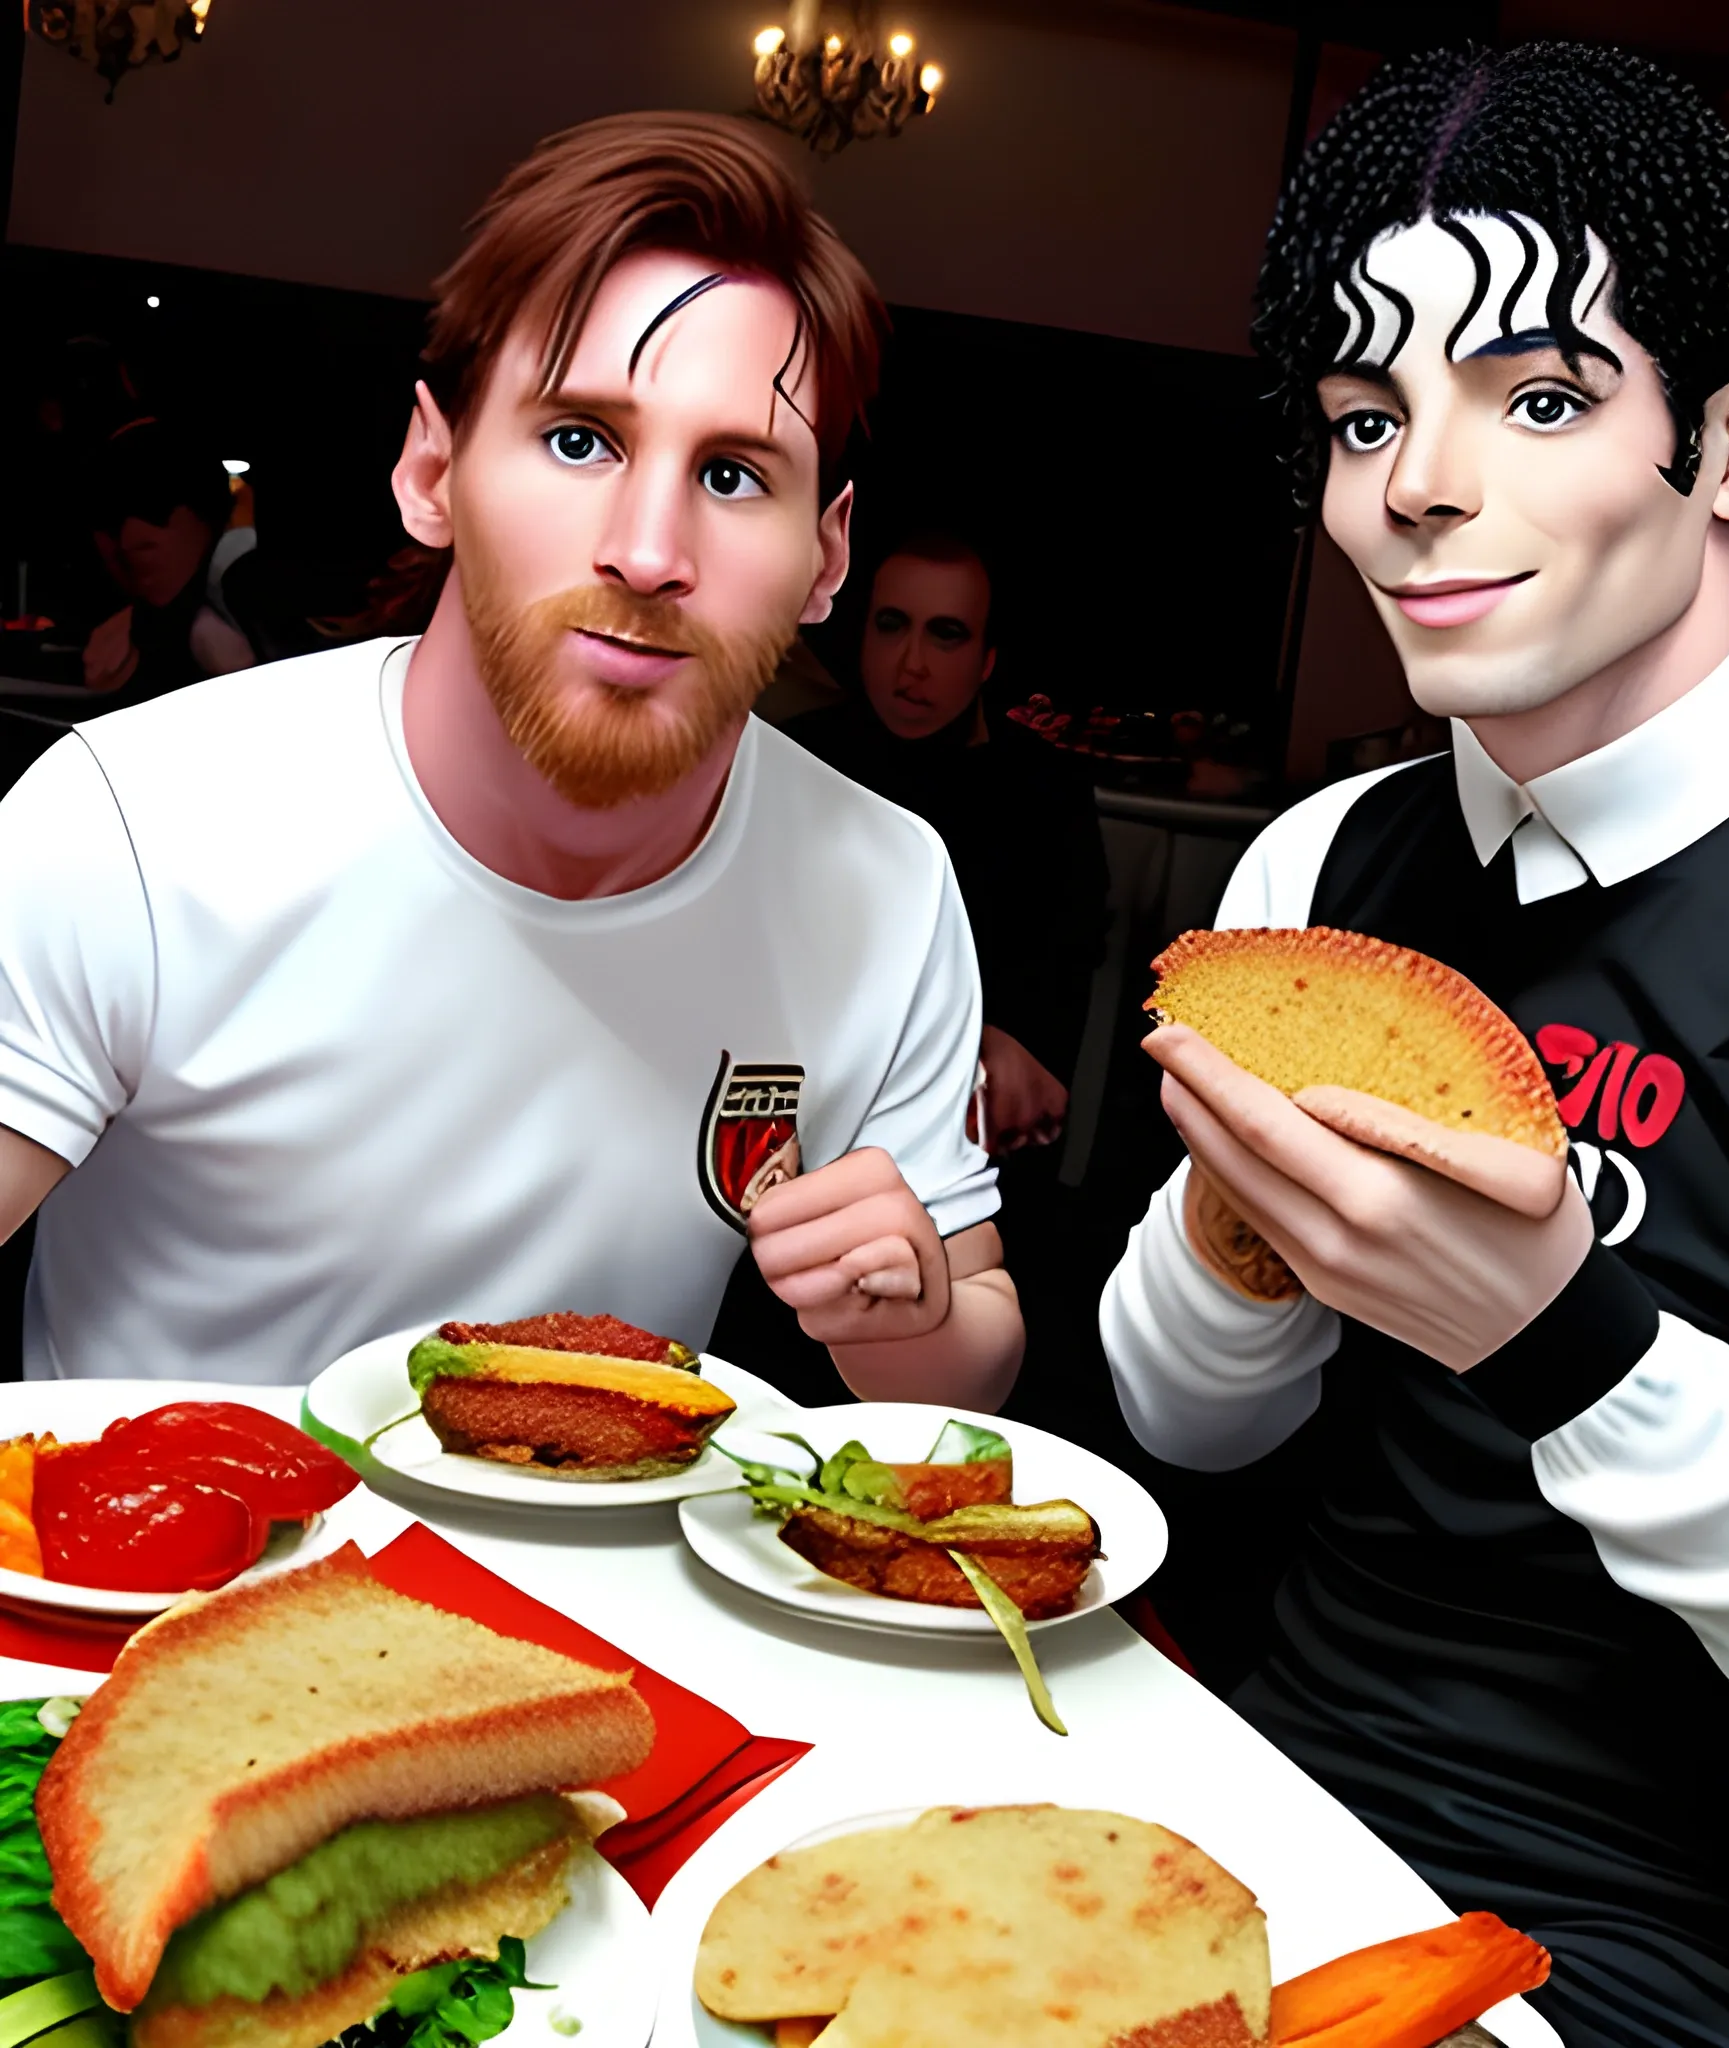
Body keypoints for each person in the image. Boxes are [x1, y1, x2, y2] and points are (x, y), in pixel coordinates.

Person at [1100, 43, 1729, 2048]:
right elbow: (1184, 1428)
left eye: (1535, 397)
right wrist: (1236, 1230)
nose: (1420, 485)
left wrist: (1563, 1336)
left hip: (1678, 1942)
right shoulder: (1322, 861)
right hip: (1256, 1800)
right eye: (1368, 415)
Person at [0, 112, 1023, 1415]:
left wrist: (905, 1310)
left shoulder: (882, 883)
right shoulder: (135, 824)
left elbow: (974, 1358)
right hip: (150, 1585)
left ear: (825, 558)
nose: (648, 550)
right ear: (433, 471)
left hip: (585, 1605)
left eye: (730, 471)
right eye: (580, 439)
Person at [787, 531, 1109, 1156]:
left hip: (961, 1142)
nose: (912, 664)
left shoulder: (1049, 793)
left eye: (946, 634)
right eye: (891, 625)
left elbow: (1051, 1002)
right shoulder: (794, 758)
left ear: (986, 660)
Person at [80, 417, 260, 701]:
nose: (130, 540)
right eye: (111, 518)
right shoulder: (120, 631)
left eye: (154, 505)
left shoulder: (249, 594)